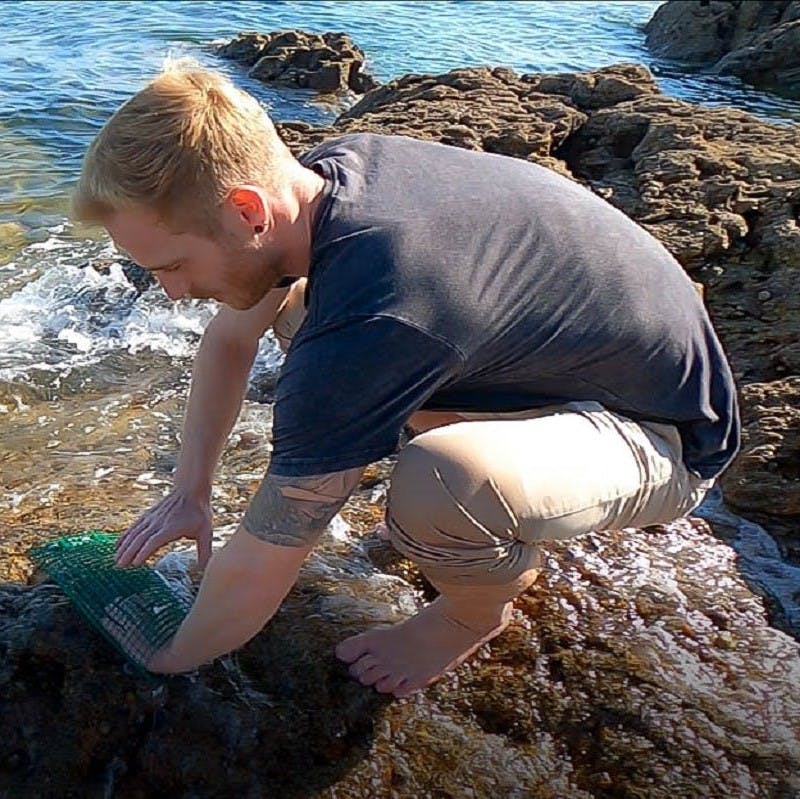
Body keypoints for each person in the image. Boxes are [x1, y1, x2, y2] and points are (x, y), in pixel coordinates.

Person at [72, 63, 739, 698]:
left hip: (667, 435)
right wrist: (191, 492)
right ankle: (488, 491)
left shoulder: (380, 308)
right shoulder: (333, 177)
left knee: (440, 481)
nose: (170, 292)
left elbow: (263, 564)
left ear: (248, 211)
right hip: (574, 366)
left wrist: (166, 656)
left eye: (174, 264)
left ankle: (471, 616)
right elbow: (230, 337)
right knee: (294, 310)